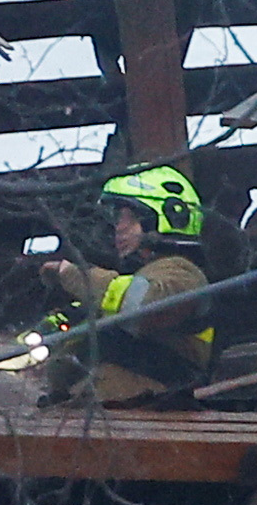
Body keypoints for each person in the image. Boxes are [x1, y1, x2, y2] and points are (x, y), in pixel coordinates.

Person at [44, 160, 215, 403]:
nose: (119, 228)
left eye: (131, 217)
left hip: (151, 415)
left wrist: (76, 277)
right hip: (109, 411)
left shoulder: (183, 272)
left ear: (169, 216)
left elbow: (145, 305)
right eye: (118, 218)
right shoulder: (141, 275)